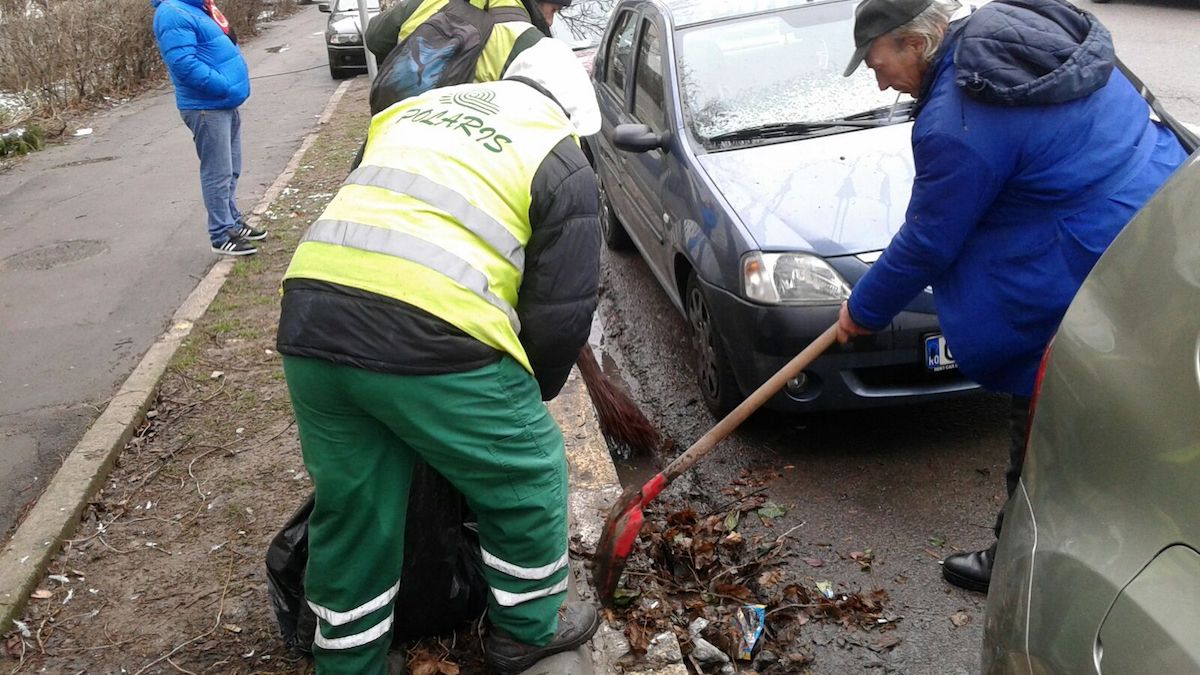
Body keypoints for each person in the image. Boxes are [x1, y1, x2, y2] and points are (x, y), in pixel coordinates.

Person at [276, 37, 603, 675]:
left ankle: (348, 664)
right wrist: (521, 404)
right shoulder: (559, 156)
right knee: (528, 477)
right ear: (570, 112)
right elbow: (560, 313)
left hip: (310, 314)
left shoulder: (415, 111)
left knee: (357, 504)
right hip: (427, 328)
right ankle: (527, 633)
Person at [839, 0, 1188, 593]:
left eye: (877, 63)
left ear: (914, 44)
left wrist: (863, 309)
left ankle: (1016, 560)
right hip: (1163, 203)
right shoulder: (1015, 35)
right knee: (1157, 391)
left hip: (1093, 252)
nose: (879, 81)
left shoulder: (958, 118)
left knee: (1043, 394)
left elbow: (928, 239)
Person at [152, 0, 267, 256]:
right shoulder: (172, 12)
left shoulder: (199, 7)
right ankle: (220, 233)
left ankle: (233, 222)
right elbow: (183, 63)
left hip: (223, 103)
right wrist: (222, 85)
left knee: (231, 169)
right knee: (218, 172)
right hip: (206, 105)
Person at [364, 0, 570, 68]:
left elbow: (375, 37)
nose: (550, 21)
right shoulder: (527, 38)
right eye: (553, 10)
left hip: (409, 129)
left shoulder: (430, 3)